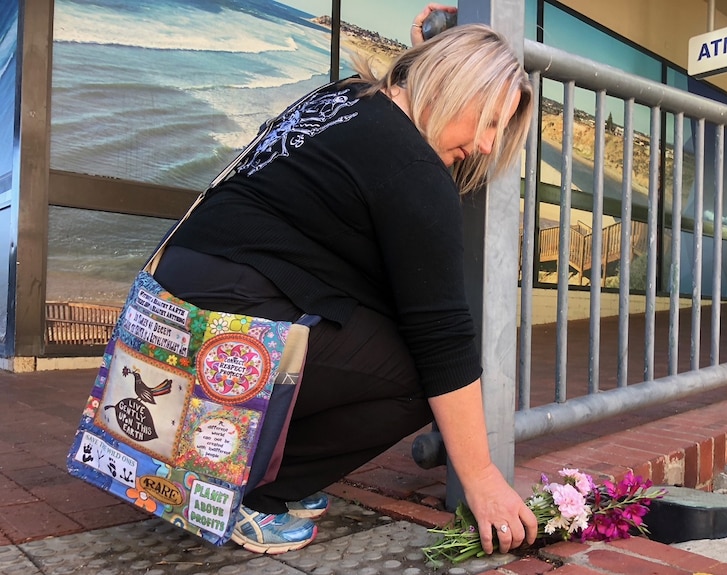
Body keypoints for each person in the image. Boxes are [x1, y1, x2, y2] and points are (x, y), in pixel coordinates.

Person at [152, 4, 537, 557]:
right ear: (454, 86)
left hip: (177, 298)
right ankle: (241, 490)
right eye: (491, 121)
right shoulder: (412, 169)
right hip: (234, 310)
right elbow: (442, 335)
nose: (486, 146)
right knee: (419, 378)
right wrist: (481, 477)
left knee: (385, 333)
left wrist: (431, 48)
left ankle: (248, 463)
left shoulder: (343, 99)